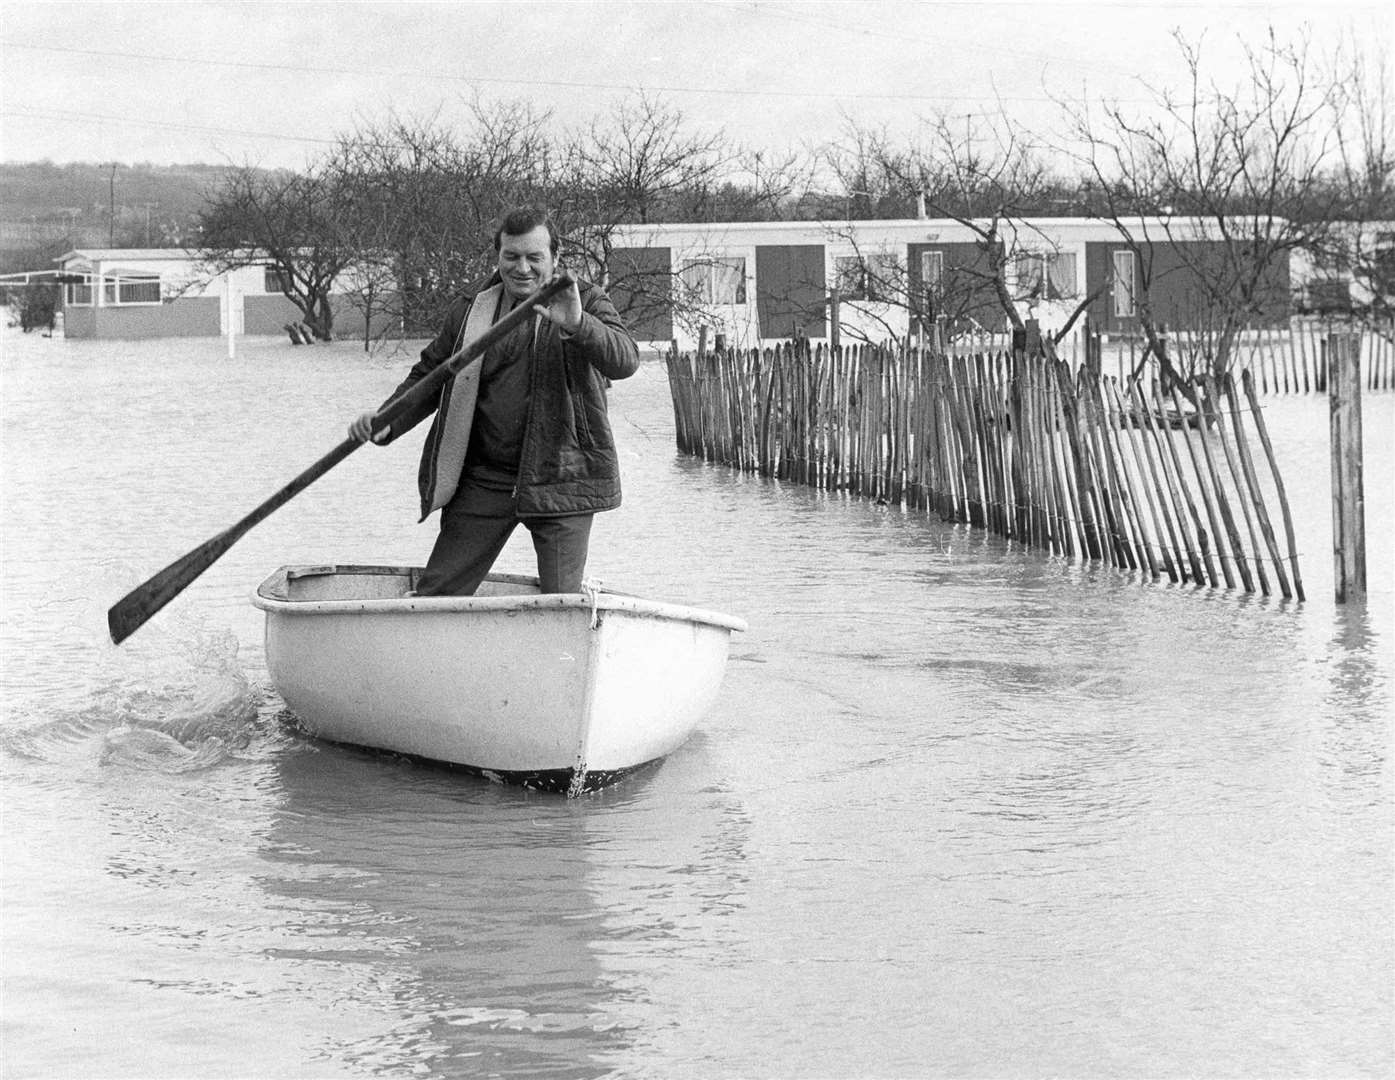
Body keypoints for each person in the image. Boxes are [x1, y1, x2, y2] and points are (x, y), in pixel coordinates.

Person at [349, 207, 640, 596]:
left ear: (555, 259)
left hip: (562, 480)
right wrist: (388, 420)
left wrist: (577, 323)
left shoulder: (586, 299)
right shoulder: (473, 307)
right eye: (512, 256)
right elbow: (432, 374)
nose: (522, 268)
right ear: (498, 256)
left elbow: (625, 360)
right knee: (438, 597)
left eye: (534, 258)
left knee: (561, 604)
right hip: (485, 479)